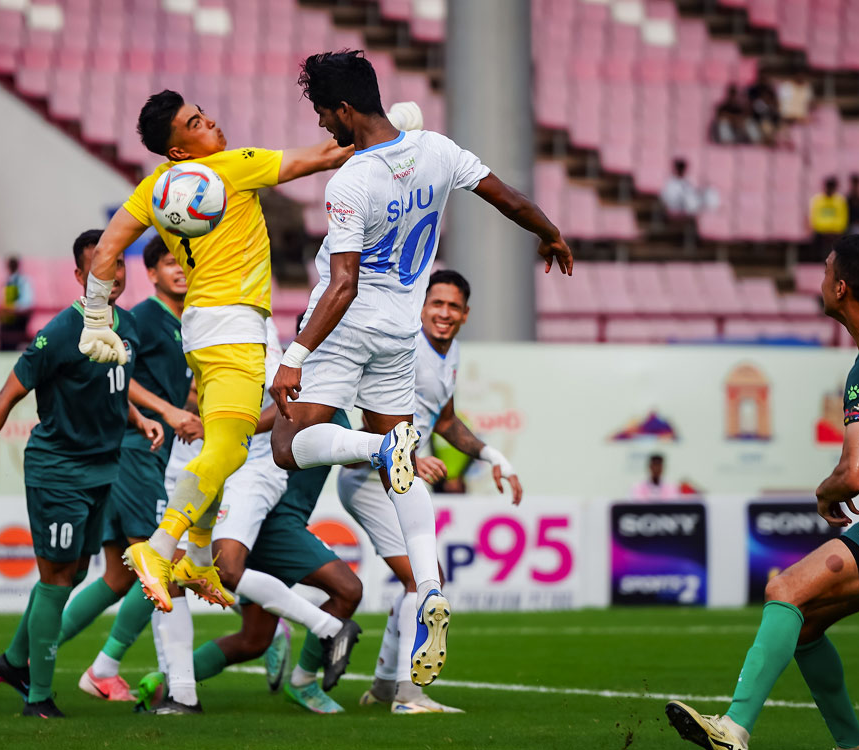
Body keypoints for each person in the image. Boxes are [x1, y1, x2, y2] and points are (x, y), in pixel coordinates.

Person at [268, 50, 571, 688]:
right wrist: (550, 233)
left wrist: (295, 356)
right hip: (401, 331)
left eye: (325, 114)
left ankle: (379, 447)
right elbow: (506, 197)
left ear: (346, 109)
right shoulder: (436, 149)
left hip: (348, 326)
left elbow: (343, 282)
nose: (324, 125)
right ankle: (429, 585)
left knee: (289, 448)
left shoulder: (350, 181)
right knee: (403, 463)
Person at [76, 88, 418, 614]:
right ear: (180, 150)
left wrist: (96, 314)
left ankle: (195, 556)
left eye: (203, 113)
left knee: (221, 445)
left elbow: (105, 251)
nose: (210, 122)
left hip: (200, 327)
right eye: (195, 122)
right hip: (234, 326)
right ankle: (159, 547)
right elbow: (328, 155)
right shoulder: (232, 168)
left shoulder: (150, 189)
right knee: (232, 448)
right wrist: (391, 129)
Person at [665, 234, 859, 750]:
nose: (818, 281)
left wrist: (824, 490)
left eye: (825, 271)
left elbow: (855, 474)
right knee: (805, 624)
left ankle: (734, 729)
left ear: (841, 287)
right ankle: (855, 747)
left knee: (784, 590)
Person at [0, 229, 163, 719]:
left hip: (103, 469)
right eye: (98, 270)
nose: (109, 278)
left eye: (116, 268)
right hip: (59, 468)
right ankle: (39, 697)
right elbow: (5, 398)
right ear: (78, 277)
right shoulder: (59, 335)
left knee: (74, 572)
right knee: (56, 575)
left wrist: (139, 417)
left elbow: (113, 387)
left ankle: (10, 662)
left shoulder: (127, 327)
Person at [336, 270, 522, 713]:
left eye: (453, 306)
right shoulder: (405, 345)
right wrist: (409, 456)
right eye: (436, 304)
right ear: (422, 306)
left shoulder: (451, 352)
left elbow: (444, 421)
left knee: (421, 578)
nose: (444, 313)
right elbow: (370, 416)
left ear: (465, 314)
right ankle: (407, 693)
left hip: (394, 474)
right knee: (423, 578)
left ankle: (386, 685)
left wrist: (494, 456)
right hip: (371, 475)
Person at [138, 412, 364, 715]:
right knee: (348, 590)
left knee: (254, 639)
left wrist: (379, 437)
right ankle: (306, 677)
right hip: (277, 521)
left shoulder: (324, 404)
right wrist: (384, 434)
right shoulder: (310, 403)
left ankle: (170, 684)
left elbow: (351, 458)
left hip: (262, 517)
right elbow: (348, 456)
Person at [57, 236, 202, 702]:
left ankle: (31, 653)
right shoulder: (143, 319)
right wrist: (169, 413)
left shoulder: (184, 323)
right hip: (134, 451)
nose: (179, 269)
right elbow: (121, 376)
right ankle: (102, 666)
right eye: (167, 262)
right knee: (162, 563)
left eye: (184, 260)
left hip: (142, 455)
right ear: (152, 274)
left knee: (120, 577)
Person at [0, 256, 35, 351]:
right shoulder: (8, 281)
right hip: (8, 317)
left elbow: (27, 302)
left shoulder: (22, 281)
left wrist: (13, 308)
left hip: (18, 317)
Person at [811, 176, 849, 256]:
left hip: (835, 232)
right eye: (829, 186)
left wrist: (833, 230)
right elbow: (815, 220)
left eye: (832, 186)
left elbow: (842, 220)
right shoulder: (818, 200)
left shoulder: (840, 200)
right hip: (822, 232)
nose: (830, 189)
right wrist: (827, 230)